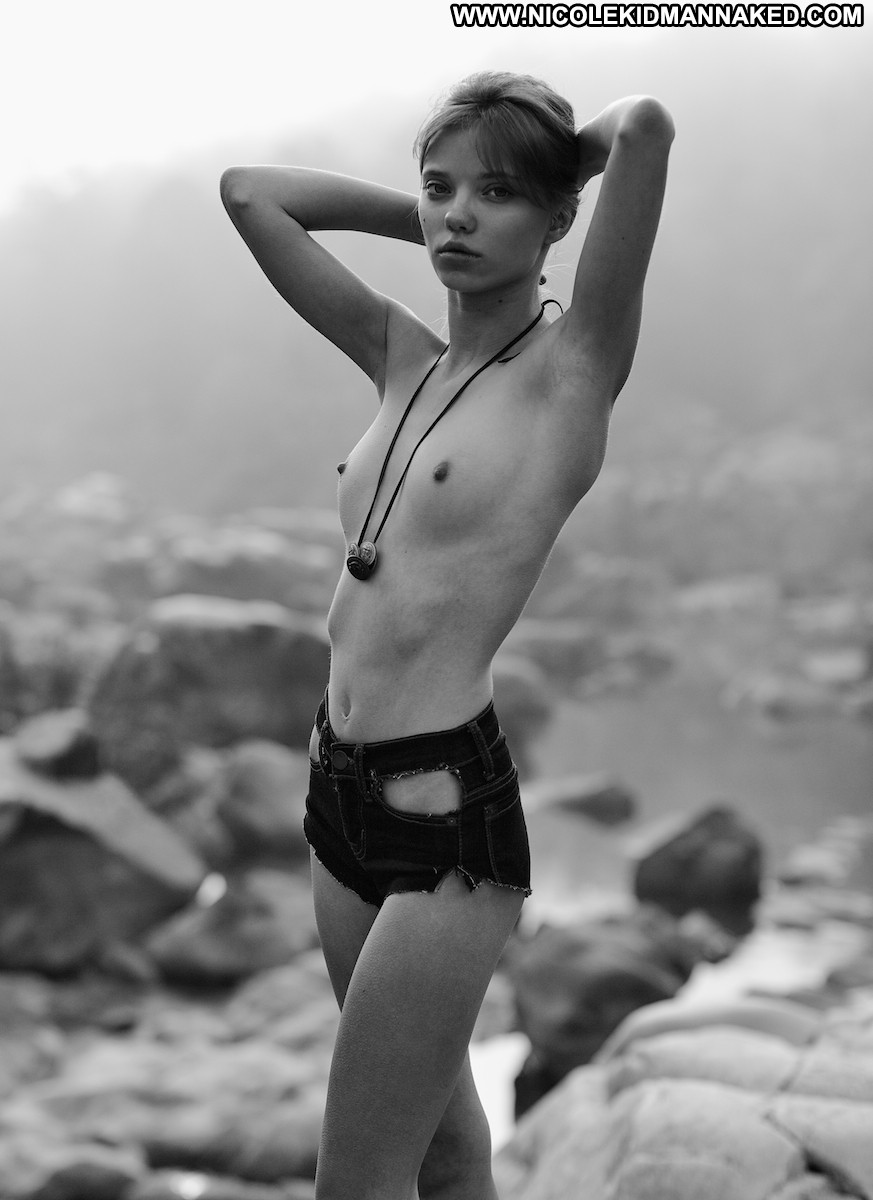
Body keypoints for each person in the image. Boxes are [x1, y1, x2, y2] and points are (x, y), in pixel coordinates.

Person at [220, 71, 674, 1200]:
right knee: (444, 1150)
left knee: (355, 1182)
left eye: (497, 195)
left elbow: (644, 125)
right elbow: (250, 194)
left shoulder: (573, 375)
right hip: (337, 788)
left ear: (559, 217)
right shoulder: (401, 357)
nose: (459, 215)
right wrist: (436, 214)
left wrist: (552, 172)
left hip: (443, 825)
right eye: (441, 189)